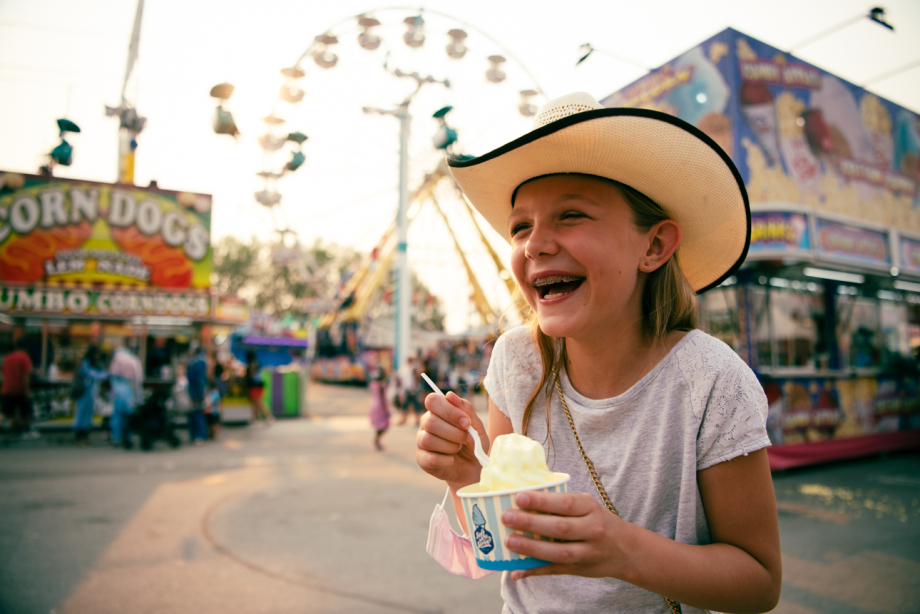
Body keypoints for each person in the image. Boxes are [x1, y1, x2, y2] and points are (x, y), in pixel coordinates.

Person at [416, 93, 781, 613]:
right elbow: (504, 545)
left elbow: (760, 583)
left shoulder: (711, 381)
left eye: (570, 215)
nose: (535, 244)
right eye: (521, 226)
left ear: (654, 247)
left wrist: (622, 549)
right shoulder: (517, 362)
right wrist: (466, 477)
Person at [109, 343, 143, 449]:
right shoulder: (134, 360)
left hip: (118, 394)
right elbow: (138, 379)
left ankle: (116, 438)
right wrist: (138, 397)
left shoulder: (116, 360)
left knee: (117, 417)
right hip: (129, 394)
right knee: (128, 418)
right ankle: (127, 439)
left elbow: (111, 376)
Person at [1, 337, 36, 437]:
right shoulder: (25, 358)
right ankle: (25, 430)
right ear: (26, 347)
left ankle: (15, 429)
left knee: (6, 412)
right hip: (19, 389)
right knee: (26, 411)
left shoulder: (7, 357)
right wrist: (27, 390)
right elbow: (26, 376)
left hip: (7, 388)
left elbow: (3, 372)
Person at [73, 345, 108, 444]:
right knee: (81, 412)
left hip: (91, 391)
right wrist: (104, 374)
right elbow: (90, 374)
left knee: (88, 413)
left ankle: (84, 434)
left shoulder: (94, 363)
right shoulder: (85, 363)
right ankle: (79, 434)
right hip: (84, 391)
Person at [185, 345, 208, 444]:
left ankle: (199, 435)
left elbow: (199, 380)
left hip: (196, 393)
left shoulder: (197, 362)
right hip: (196, 392)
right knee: (196, 413)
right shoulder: (199, 361)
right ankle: (198, 435)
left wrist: (200, 393)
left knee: (197, 413)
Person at [367, 359, 391, 451]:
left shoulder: (374, 384)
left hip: (374, 405)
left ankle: (377, 440)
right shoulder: (381, 385)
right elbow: (382, 398)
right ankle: (377, 440)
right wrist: (385, 409)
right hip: (380, 407)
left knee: (379, 426)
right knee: (384, 425)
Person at [245, 350, 272, 425]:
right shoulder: (257, 363)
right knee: (256, 404)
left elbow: (249, 376)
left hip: (255, 386)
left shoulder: (252, 364)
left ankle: (269, 417)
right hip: (259, 385)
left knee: (259, 403)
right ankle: (255, 419)